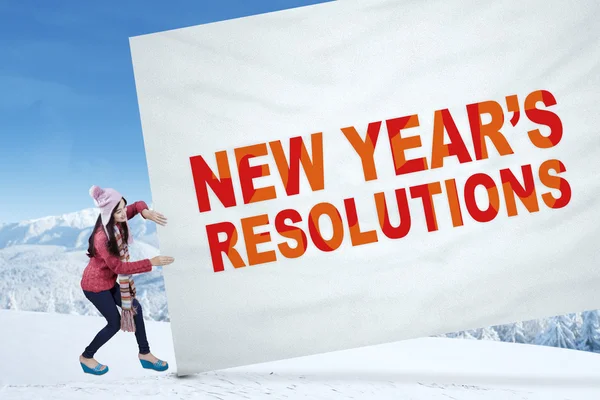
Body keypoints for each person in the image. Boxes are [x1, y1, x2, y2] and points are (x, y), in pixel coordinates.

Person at [79, 185, 175, 376]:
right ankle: (86, 357)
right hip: (94, 287)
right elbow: (119, 268)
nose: (124, 213)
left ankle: (145, 354)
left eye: (123, 207)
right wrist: (151, 262)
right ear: (108, 212)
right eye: (119, 211)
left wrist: (145, 211)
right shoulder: (102, 238)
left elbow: (137, 205)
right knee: (114, 323)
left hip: (107, 282)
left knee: (135, 308)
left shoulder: (115, 219)